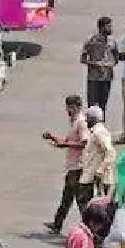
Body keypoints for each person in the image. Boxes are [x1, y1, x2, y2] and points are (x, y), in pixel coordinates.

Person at [43, 95, 91, 235]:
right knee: (67, 198)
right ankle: (57, 224)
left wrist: (64, 144)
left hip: (78, 167)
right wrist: (53, 137)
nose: (67, 110)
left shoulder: (81, 122)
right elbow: (67, 140)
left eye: (70, 107)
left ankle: (90, 229)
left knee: (81, 201)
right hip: (72, 167)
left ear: (76, 107)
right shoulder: (74, 121)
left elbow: (84, 143)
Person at [81, 17, 118, 115]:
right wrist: (96, 64)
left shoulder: (112, 41)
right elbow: (83, 59)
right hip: (94, 78)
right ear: (101, 28)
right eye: (108, 26)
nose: (111, 28)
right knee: (92, 106)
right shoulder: (91, 41)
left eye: (111, 26)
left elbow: (116, 59)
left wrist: (109, 64)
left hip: (107, 78)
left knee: (103, 106)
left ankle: (101, 127)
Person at [81, 106, 117, 199]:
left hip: (99, 179)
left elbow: (110, 152)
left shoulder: (99, 132)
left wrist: (100, 170)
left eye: (87, 118)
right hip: (92, 177)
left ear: (93, 119)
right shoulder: (94, 132)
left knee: (97, 208)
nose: (86, 120)